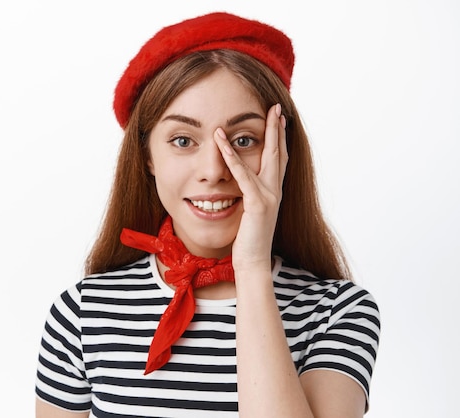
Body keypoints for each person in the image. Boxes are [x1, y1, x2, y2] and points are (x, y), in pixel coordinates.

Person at [34, 11, 380, 418]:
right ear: (147, 155)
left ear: (280, 153)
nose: (214, 170)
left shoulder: (336, 311)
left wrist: (251, 267)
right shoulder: (82, 313)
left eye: (244, 140)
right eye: (183, 140)